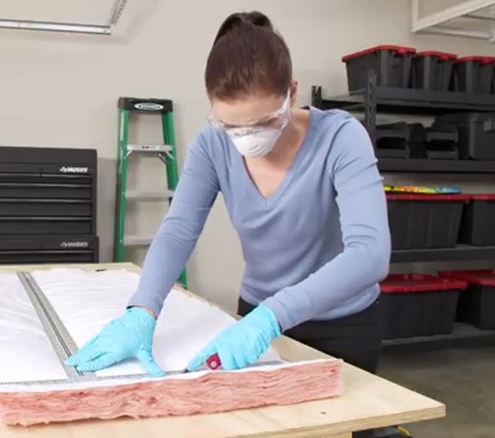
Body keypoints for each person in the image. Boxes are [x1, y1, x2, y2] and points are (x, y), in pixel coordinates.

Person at [66, 11, 390, 435]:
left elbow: (369, 254)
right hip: (254, 322)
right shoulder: (213, 144)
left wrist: (273, 316)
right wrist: (142, 310)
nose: (247, 139)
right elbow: (180, 228)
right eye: (232, 126)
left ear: (291, 94)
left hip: (341, 324)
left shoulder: (341, 138)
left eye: (263, 122)